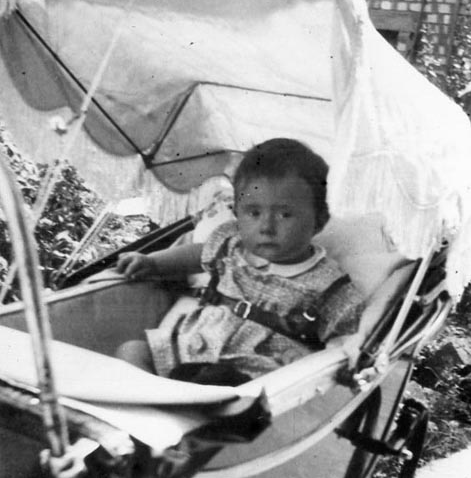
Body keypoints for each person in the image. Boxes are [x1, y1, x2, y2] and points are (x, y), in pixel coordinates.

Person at [115, 138, 365, 385]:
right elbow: (197, 254)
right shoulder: (230, 245)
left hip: (250, 370)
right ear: (237, 212)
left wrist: (326, 358)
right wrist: (152, 263)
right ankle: (157, 401)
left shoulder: (327, 284)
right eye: (254, 213)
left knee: (232, 391)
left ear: (319, 220)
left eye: (285, 214)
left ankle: (176, 403)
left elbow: (347, 335)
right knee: (132, 351)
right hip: (192, 346)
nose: (266, 227)